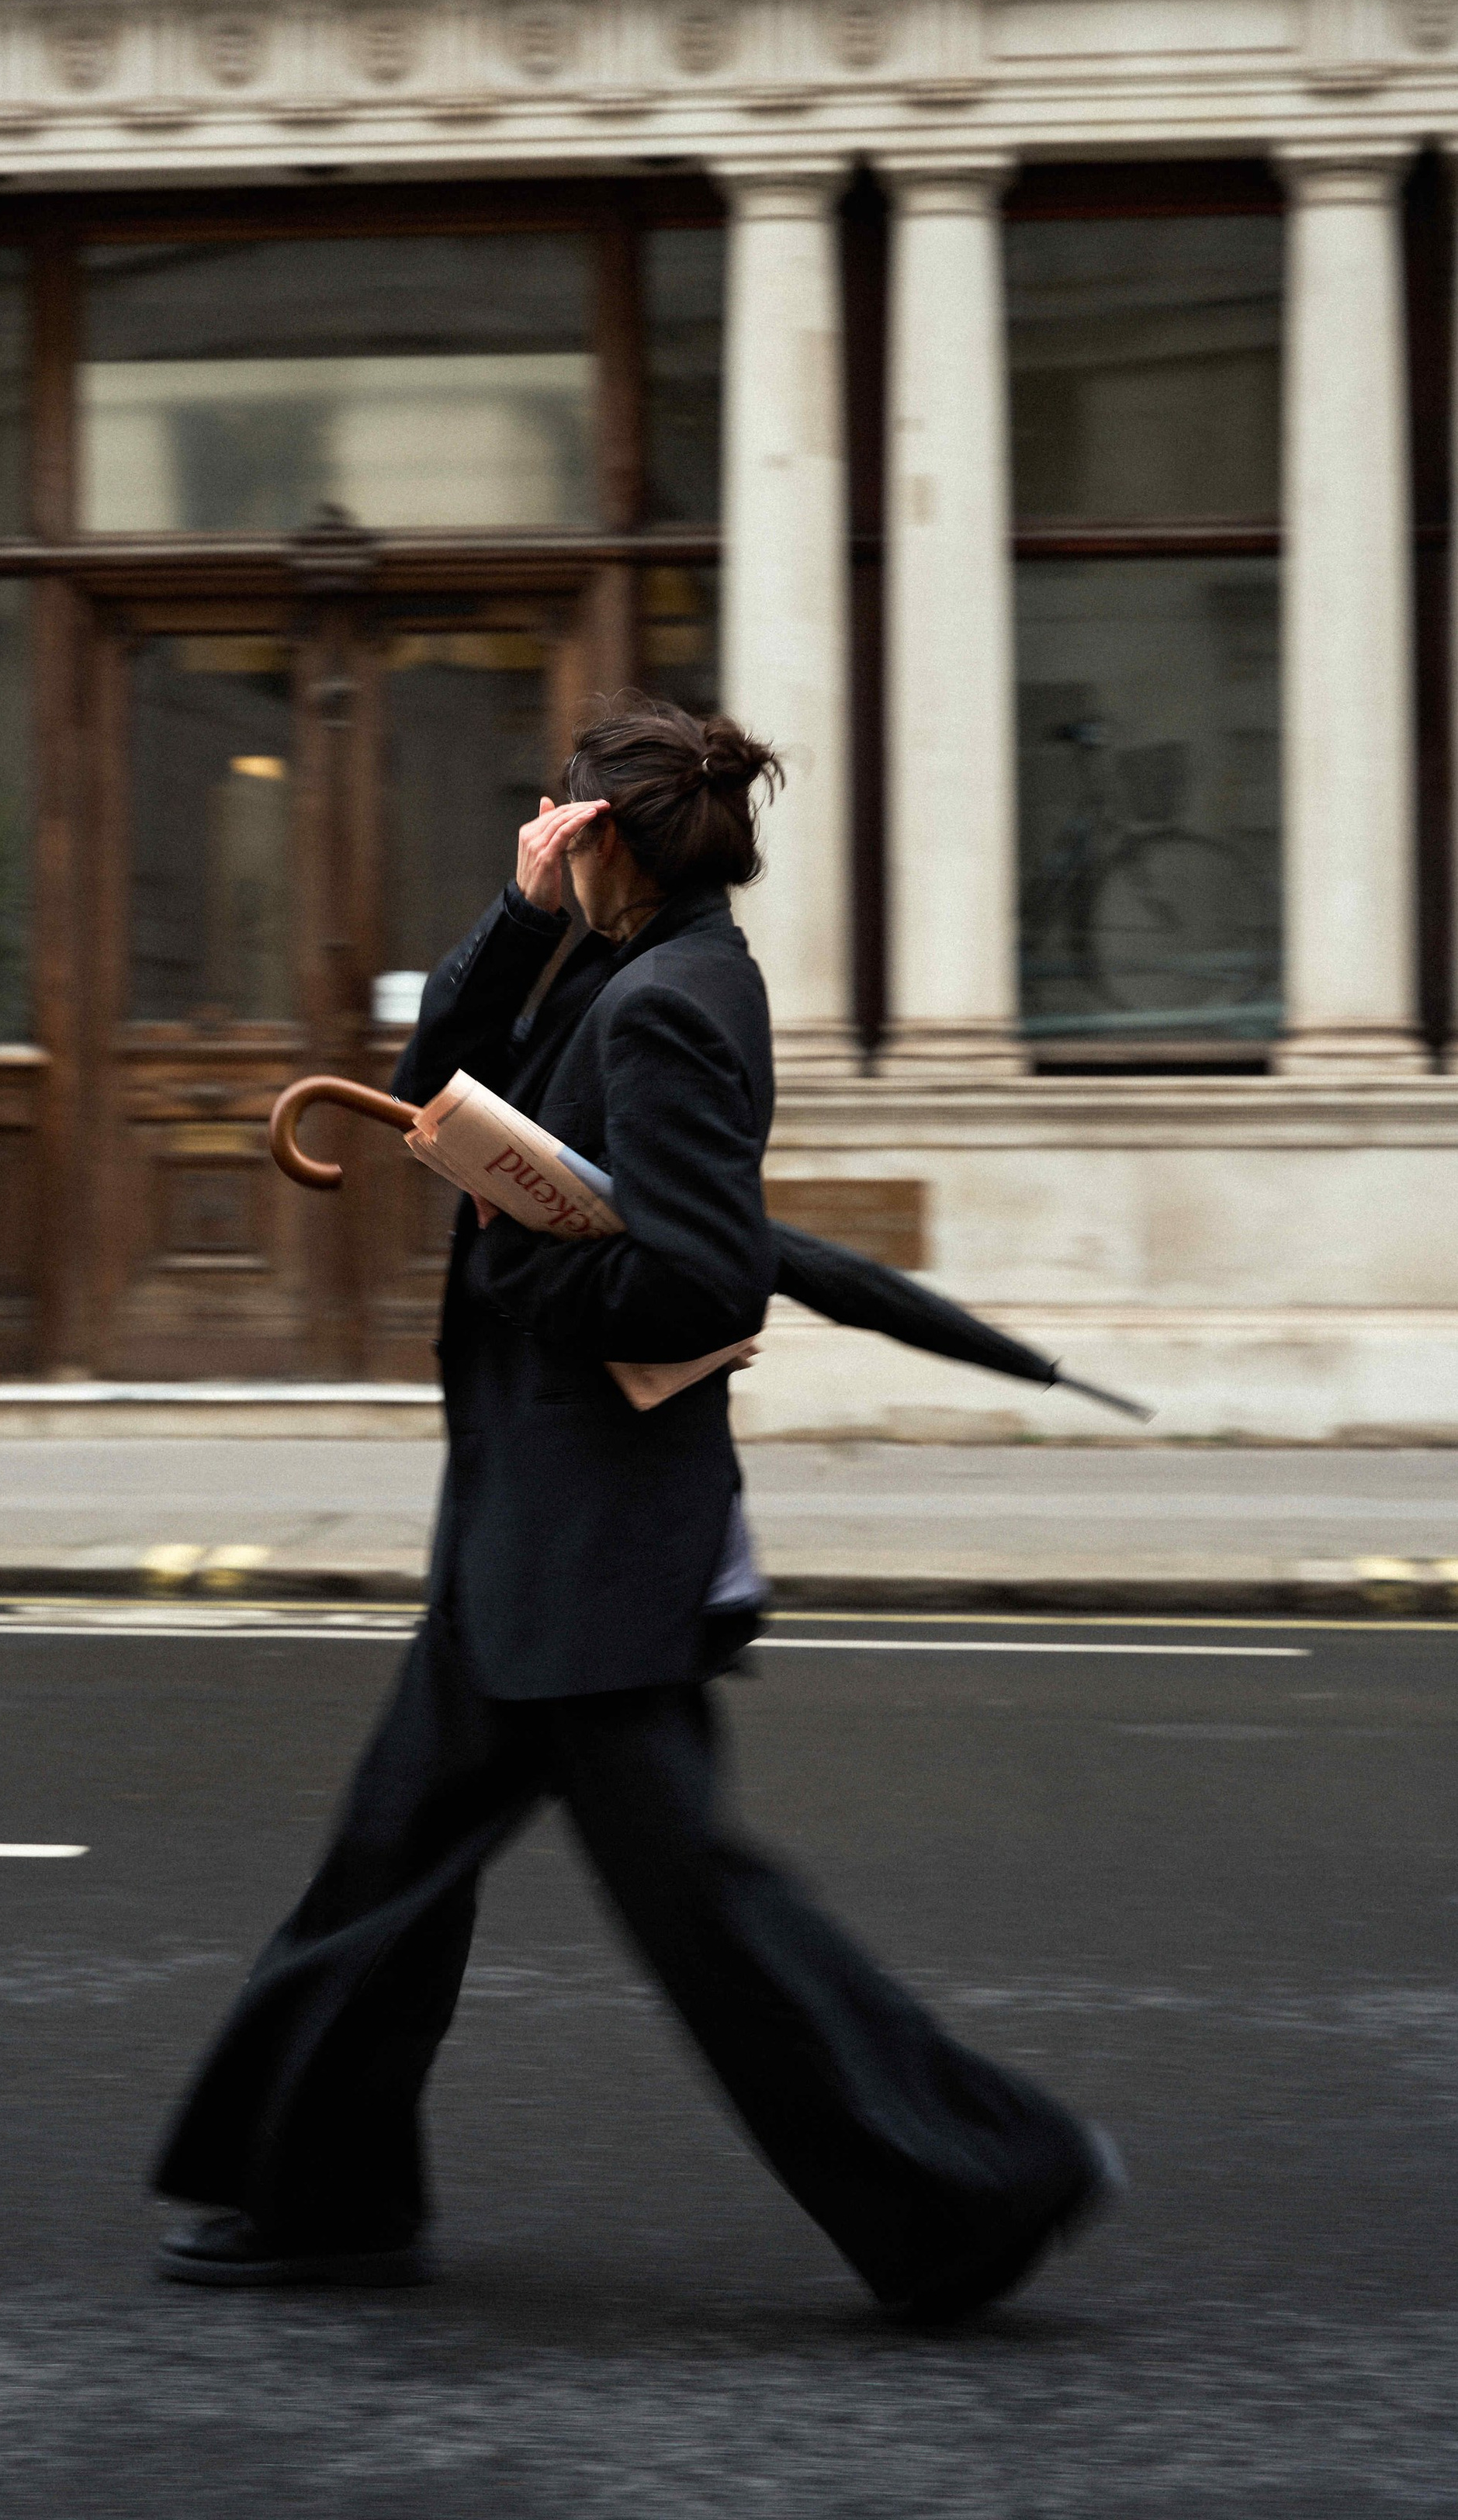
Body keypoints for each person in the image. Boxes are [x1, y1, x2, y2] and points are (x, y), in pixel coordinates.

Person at [151, 694, 1121, 2320]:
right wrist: (517, 916)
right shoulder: (630, 964)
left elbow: (698, 1279)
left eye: (552, 816)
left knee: (701, 1916)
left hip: (592, 1539)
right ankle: (325, 2195)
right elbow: (431, 1094)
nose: (535, 831)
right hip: (539, 1516)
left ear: (597, 828)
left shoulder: (669, 1001)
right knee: (392, 1869)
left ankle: (983, 2179)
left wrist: (516, 1264)